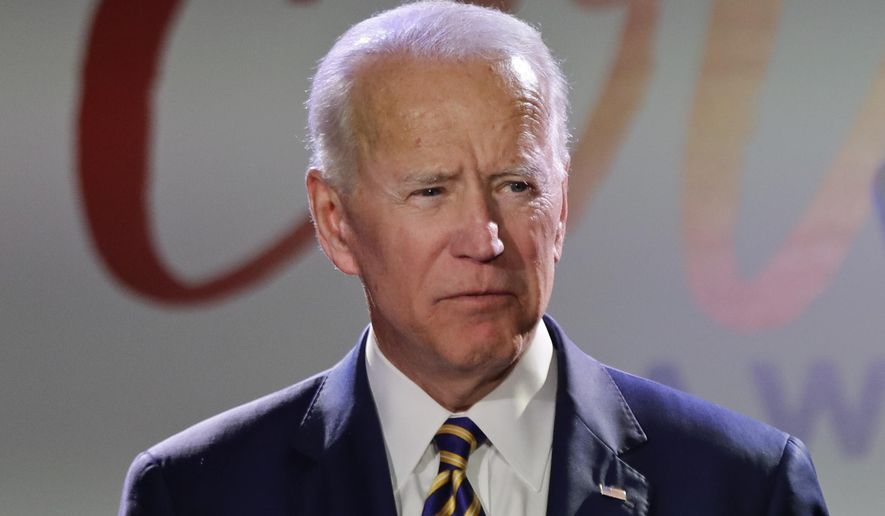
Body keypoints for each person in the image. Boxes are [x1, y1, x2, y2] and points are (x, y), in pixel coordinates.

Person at [118, 2, 829, 515]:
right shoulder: (196, 494)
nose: (484, 239)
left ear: (560, 205)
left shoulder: (742, 487)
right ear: (334, 221)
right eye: (430, 191)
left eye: (515, 186)